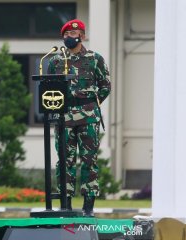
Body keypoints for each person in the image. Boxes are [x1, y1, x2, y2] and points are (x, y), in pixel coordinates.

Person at [47, 19, 111, 217]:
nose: (70, 38)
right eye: (66, 35)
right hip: (64, 117)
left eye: (74, 34)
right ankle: (65, 204)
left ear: (82, 36)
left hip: (88, 117)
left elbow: (105, 85)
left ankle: (88, 206)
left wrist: (90, 104)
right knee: (64, 161)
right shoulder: (55, 60)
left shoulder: (94, 58)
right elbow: (49, 87)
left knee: (88, 160)